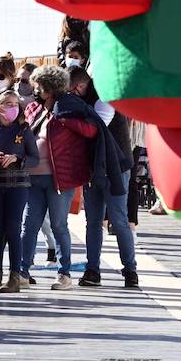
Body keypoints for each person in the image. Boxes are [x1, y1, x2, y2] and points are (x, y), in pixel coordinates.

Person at [20, 65, 96, 292]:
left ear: (49, 88)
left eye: (37, 86)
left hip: (59, 178)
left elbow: (91, 130)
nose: (34, 89)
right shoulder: (34, 108)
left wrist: (65, 122)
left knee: (59, 225)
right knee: (29, 225)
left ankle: (64, 274)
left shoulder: (69, 108)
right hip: (33, 177)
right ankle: (22, 271)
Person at [68, 66, 137, 289]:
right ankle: (92, 270)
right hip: (94, 168)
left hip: (115, 167)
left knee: (118, 219)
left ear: (79, 86)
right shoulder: (86, 98)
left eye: (70, 91)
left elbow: (96, 127)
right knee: (93, 222)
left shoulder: (105, 96)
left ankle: (130, 270)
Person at [0, 90, 37, 293]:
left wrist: (17, 159)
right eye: (7, 103)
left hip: (18, 185)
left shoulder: (23, 130)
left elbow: (35, 158)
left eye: (15, 103)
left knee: (13, 228)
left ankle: (14, 277)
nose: (12, 107)